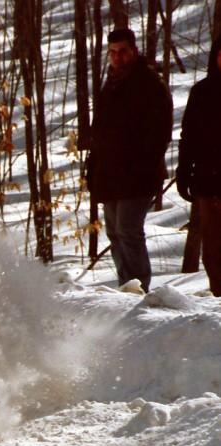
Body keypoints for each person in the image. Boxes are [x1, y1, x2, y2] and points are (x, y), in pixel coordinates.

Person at [89, 28, 173, 292]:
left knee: (128, 229)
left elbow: (160, 132)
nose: (117, 57)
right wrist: (93, 169)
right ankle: (126, 286)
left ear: (134, 51)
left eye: (122, 51)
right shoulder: (111, 84)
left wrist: (144, 163)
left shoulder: (148, 83)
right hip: (111, 174)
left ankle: (139, 289)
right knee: (114, 231)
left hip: (138, 174)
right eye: (112, 52)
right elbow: (99, 133)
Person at [176, 36, 221, 297]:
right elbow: (189, 136)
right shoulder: (202, 92)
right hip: (207, 181)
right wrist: (184, 171)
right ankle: (217, 305)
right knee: (213, 253)